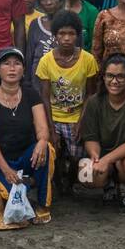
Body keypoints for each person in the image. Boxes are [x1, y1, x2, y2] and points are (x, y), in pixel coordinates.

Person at [0, 48, 54, 222]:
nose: (12, 68)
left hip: (27, 156)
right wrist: (6, 170)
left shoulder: (31, 94)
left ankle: (43, 204)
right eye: (6, 64)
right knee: (8, 194)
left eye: (17, 64)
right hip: (1, 160)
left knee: (47, 149)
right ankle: (26, 184)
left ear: (23, 70)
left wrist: (42, 141)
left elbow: (42, 128)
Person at [35, 10, 98, 194]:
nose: (66, 38)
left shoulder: (88, 60)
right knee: (53, 152)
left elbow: (90, 94)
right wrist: (50, 127)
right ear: (55, 36)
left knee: (77, 155)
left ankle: (72, 182)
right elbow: (45, 97)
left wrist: (81, 122)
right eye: (62, 33)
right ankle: (57, 183)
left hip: (77, 116)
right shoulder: (46, 61)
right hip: (53, 115)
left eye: (71, 33)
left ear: (78, 35)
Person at [78, 53, 125, 213]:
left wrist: (107, 160)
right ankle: (109, 185)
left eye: (120, 76)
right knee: (85, 173)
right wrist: (96, 156)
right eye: (109, 75)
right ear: (103, 77)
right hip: (103, 154)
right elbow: (90, 137)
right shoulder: (94, 102)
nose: (114, 81)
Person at [26, 0, 63, 79]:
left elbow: (79, 51)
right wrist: (27, 81)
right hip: (38, 79)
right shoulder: (35, 24)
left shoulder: (71, 21)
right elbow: (30, 55)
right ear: (39, 2)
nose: (49, 2)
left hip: (63, 80)